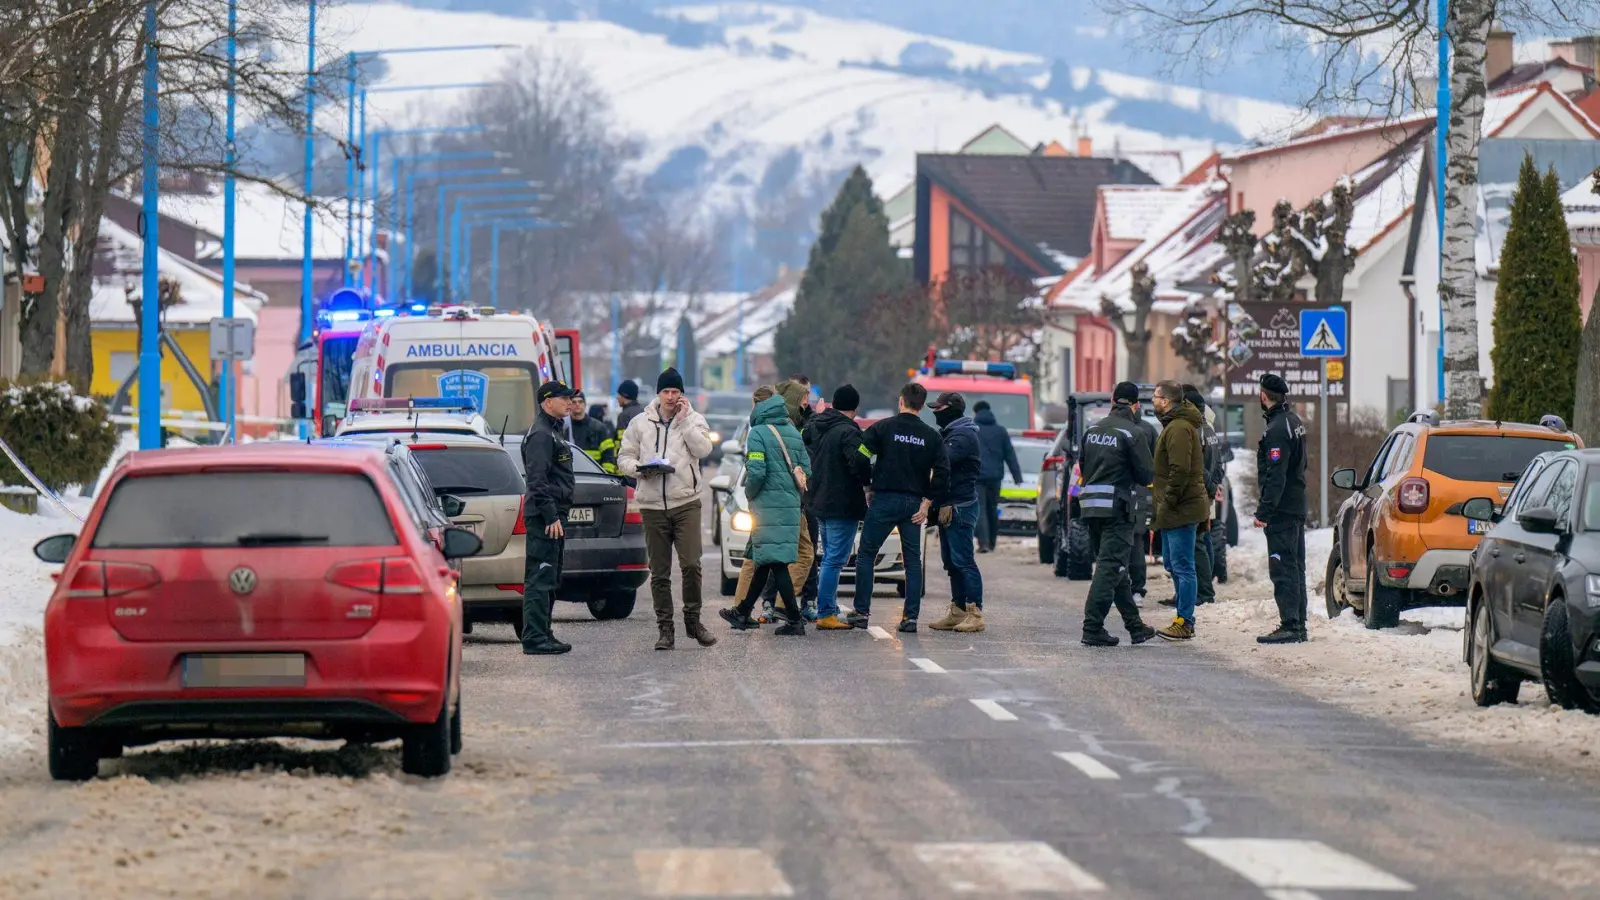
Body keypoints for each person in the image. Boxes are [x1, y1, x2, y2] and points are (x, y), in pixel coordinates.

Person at [617, 367, 717, 651]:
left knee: (691, 564)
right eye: (666, 392)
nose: (671, 397)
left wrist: (684, 424)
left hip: (685, 502)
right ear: (658, 393)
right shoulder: (640, 422)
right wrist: (639, 470)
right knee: (659, 571)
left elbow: (703, 451)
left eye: (676, 392)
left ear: (682, 394)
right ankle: (665, 629)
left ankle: (694, 621)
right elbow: (624, 456)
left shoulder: (695, 419)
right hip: (651, 505)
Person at [851, 383, 949, 633]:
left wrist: (867, 486)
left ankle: (861, 613)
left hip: (884, 499)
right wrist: (927, 503)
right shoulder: (932, 436)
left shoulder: (883, 428)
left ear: (901, 401)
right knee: (912, 561)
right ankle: (910, 619)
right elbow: (942, 472)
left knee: (866, 555)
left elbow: (860, 457)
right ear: (922, 405)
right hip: (914, 505)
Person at [720, 388, 812, 636]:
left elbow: (757, 471)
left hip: (766, 507)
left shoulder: (758, 432)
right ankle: (742, 612)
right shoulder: (792, 430)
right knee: (765, 559)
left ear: (756, 406)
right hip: (790, 505)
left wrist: (750, 493)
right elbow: (807, 469)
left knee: (776, 562)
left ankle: (794, 619)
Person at [1077, 382, 1159, 646]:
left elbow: (1083, 467)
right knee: (1110, 567)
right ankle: (1092, 627)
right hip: (1118, 508)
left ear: (1112, 400)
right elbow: (1146, 474)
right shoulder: (1133, 432)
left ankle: (1135, 627)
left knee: (1117, 569)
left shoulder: (1091, 430)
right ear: (1136, 405)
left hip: (1091, 507)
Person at [804, 384, 873, 630]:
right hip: (842, 504)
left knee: (829, 558)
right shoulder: (849, 431)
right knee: (835, 559)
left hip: (819, 501)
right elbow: (858, 463)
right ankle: (826, 613)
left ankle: (829, 607)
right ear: (855, 407)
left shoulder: (819, 425)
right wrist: (869, 482)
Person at [519, 380, 578, 655]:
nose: (570, 402)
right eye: (564, 398)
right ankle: (534, 638)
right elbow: (537, 481)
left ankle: (544, 632)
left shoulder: (553, 430)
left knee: (550, 577)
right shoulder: (542, 434)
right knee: (540, 577)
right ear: (547, 401)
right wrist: (551, 515)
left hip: (553, 515)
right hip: (546, 518)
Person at [1150, 381, 1208, 642]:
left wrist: (1168, 500)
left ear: (1166, 401)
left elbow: (1181, 470)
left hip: (1181, 508)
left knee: (1184, 567)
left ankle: (1185, 621)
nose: (1152, 401)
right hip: (1174, 508)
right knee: (1174, 563)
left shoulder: (1179, 428)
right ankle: (1182, 617)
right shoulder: (1174, 425)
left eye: (1155, 397)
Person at [758, 378, 820, 622]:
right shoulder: (779, 428)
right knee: (786, 555)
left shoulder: (807, 423)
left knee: (806, 553)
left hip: (804, 499)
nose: (807, 402)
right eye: (803, 398)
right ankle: (775, 604)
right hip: (788, 501)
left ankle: (803, 602)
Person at [1255, 372, 1310, 644]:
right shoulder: (1293, 421)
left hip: (1283, 510)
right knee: (1295, 566)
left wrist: (1265, 511)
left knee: (1283, 566)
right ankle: (1299, 623)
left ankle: (1291, 625)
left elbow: (1276, 475)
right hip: (1295, 504)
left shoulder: (1276, 429)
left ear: (1264, 395)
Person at [927, 392, 986, 633]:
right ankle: (958, 609)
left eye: (939, 409)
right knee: (951, 562)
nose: (935, 414)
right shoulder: (952, 433)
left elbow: (942, 461)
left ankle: (975, 612)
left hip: (960, 507)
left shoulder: (962, 436)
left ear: (951, 410)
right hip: (949, 506)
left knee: (964, 561)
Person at [1163, 385, 1219, 609]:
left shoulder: (1193, 431)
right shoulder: (1210, 429)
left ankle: (1202, 592)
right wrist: (1213, 486)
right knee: (1202, 540)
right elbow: (1217, 463)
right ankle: (1195, 591)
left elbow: (1193, 465)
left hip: (1194, 493)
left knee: (1195, 545)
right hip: (1205, 492)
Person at [972, 400, 1022, 552]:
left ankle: (984, 543)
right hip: (995, 477)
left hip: (977, 476)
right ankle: (992, 542)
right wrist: (1017, 476)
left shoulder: (973, 430)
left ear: (976, 413)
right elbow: (1010, 454)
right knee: (992, 508)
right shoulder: (1000, 431)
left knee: (979, 508)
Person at [1127, 398, 1158, 603]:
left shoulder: (1146, 430)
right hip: (1136, 492)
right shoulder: (1147, 430)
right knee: (1133, 540)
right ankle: (1132, 589)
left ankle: (1135, 589)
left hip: (1137, 492)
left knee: (1133, 541)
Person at [568, 390, 617, 474]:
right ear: (569, 405)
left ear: (585, 404)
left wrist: (607, 476)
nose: (577, 404)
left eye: (580, 401)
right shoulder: (565, 427)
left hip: (594, 477)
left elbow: (608, 455)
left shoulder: (599, 427)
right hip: (571, 476)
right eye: (574, 402)